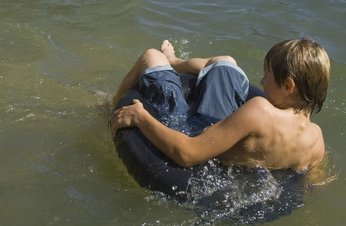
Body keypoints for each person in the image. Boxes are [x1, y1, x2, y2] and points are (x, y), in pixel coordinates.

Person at [110, 38, 330, 171]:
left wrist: (140, 117)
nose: (261, 82)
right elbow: (310, 184)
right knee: (226, 62)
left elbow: (186, 155)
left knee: (151, 55)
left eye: (267, 75)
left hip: (191, 138)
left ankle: (107, 108)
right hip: (222, 142)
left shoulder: (260, 111)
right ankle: (175, 62)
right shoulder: (316, 141)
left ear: (288, 86)